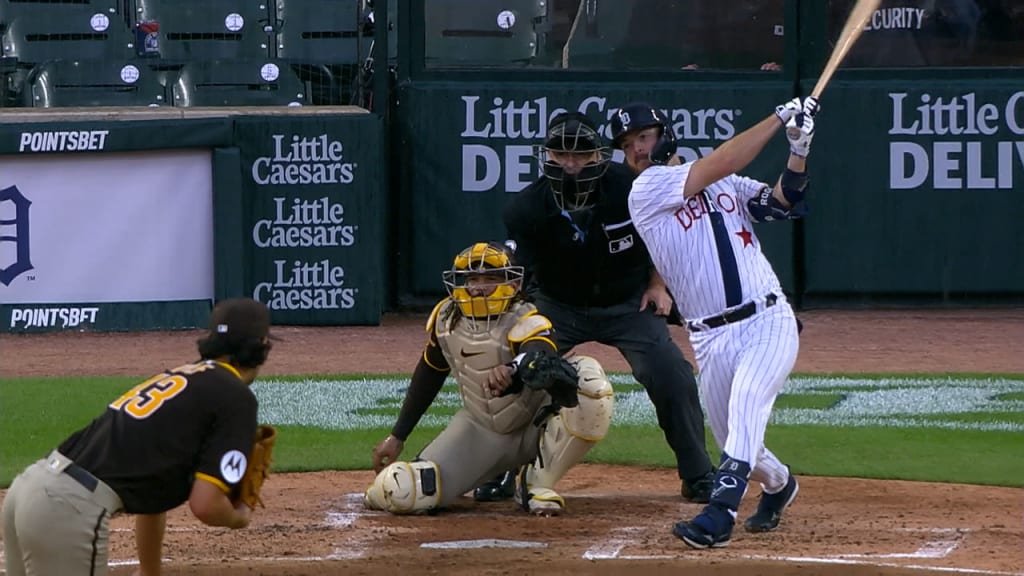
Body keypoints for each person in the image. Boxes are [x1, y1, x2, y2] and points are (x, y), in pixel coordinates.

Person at [609, 95, 819, 548]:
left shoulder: (728, 185)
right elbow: (723, 159)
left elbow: (783, 202)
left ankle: (720, 514)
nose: (637, 151)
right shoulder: (646, 191)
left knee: (746, 409)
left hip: (767, 319)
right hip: (709, 337)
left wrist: (799, 149)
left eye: (643, 137)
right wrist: (779, 116)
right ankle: (780, 484)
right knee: (736, 439)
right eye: (628, 146)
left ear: (665, 135)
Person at [493, 111, 716, 504]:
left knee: (671, 374)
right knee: (516, 369)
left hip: (626, 303)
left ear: (599, 156)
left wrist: (658, 285)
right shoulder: (524, 209)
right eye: (561, 155)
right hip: (557, 305)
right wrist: (521, 326)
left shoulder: (631, 189)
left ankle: (698, 473)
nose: (571, 165)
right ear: (546, 157)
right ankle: (496, 470)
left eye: (580, 156)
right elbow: (521, 275)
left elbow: (665, 237)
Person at [1, 297, 274, 575]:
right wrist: (237, 517)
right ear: (263, 346)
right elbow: (206, 505)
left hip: (27, 490)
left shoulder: (184, 378)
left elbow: (153, 495)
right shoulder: (235, 397)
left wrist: (150, 570)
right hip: (67, 510)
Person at [364, 241, 614, 516]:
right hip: (480, 432)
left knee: (590, 384)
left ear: (513, 284)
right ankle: (383, 491)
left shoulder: (529, 319)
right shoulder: (446, 320)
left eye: (490, 279)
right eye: (473, 279)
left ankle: (537, 484)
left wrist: (513, 369)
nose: (479, 287)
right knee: (401, 491)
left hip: (536, 426)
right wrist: (398, 435)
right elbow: (430, 372)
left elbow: (540, 357)